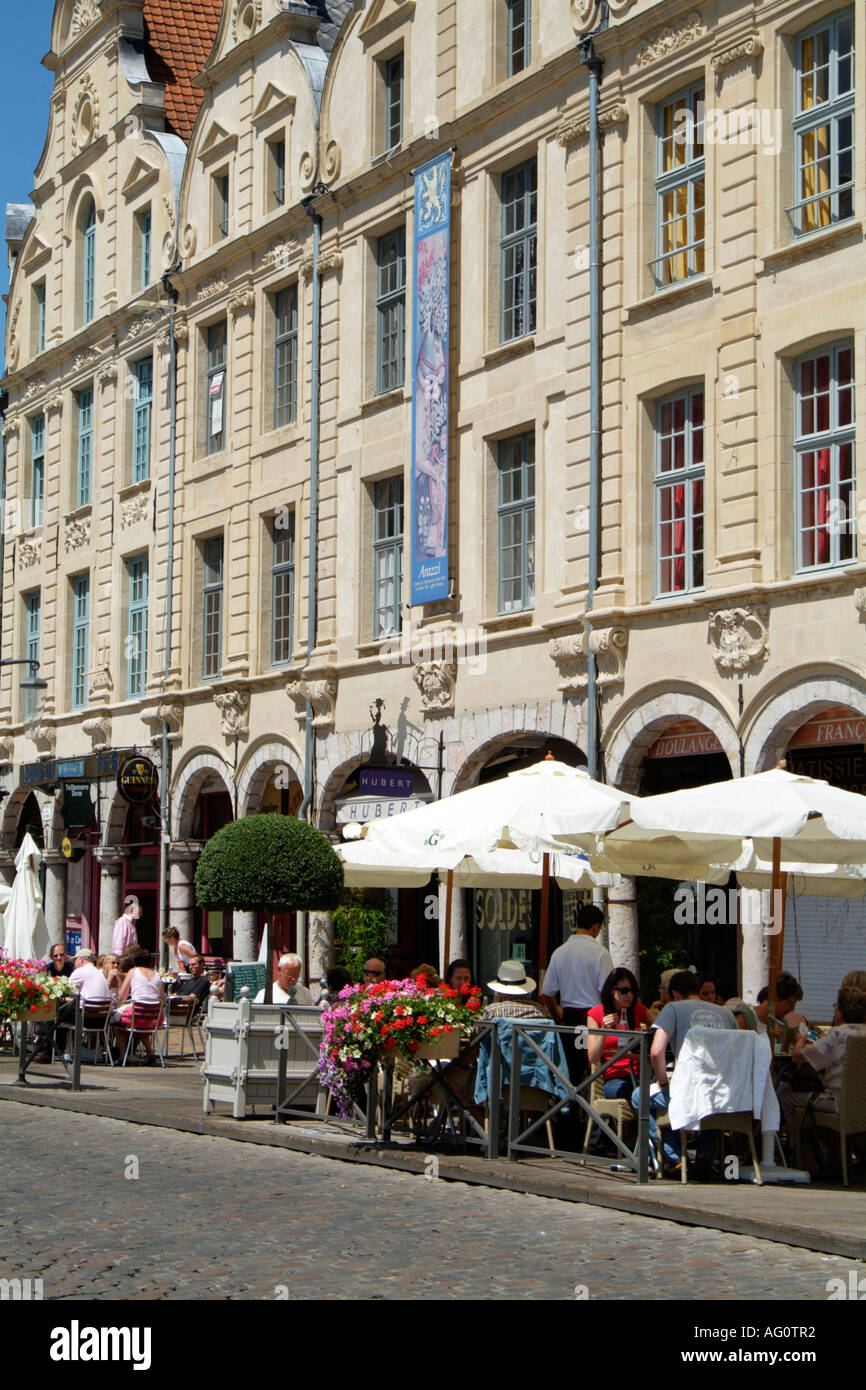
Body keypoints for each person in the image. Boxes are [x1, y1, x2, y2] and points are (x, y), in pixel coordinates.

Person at [632, 969, 738, 1177]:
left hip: (690, 1094)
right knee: (710, 1098)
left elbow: (655, 1051)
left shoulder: (673, 1009)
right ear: (698, 990)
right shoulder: (726, 1014)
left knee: (639, 1097)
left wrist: (663, 1082)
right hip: (726, 1095)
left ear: (675, 994)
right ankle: (705, 1155)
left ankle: (674, 1158)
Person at [780, 986, 866, 1163]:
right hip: (861, 1106)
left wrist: (801, 1040)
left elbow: (797, 1057)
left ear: (841, 1011)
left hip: (839, 1104)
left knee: (787, 1100)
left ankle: (800, 1156)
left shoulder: (836, 1035)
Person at [540, 904, 613, 1089]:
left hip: (569, 1019)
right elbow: (608, 991)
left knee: (570, 1074)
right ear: (596, 927)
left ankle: (569, 1114)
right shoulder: (601, 953)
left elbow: (547, 992)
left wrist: (557, 1017)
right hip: (594, 1019)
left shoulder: (560, 952)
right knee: (594, 1072)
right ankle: (591, 1111)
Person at [587, 968, 648, 1101]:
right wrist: (604, 1030)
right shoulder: (596, 1014)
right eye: (625, 991)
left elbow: (659, 1027)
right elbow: (593, 1057)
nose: (630, 995)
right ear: (612, 990)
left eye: (633, 991)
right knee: (641, 1096)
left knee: (654, 1094)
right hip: (613, 1079)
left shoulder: (636, 1009)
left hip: (640, 1076)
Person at [112, 945, 164, 1064]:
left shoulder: (133, 972)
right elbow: (162, 997)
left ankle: (122, 1055)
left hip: (137, 1016)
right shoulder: (157, 975)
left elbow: (121, 997)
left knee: (117, 1024)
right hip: (154, 1018)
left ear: (134, 961)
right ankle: (150, 1052)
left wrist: (120, 982)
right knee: (141, 1021)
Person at [755, 971, 807, 1037]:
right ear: (776, 996)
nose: (792, 1009)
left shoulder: (781, 1023)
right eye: (791, 1003)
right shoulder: (746, 1017)